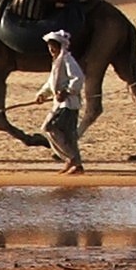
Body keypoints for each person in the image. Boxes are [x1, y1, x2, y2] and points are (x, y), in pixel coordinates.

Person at [37, 26, 84, 174]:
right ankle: (74, 164)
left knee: (50, 127)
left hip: (68, 105)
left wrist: (66, 91)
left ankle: (72, 159)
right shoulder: (56, 62)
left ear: (60, 46)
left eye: (53, 46)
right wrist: (43, 94)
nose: (51, 49)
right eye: (49, 46)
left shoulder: (67, 59)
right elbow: (51, 82)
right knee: (67, 135)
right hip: (59, 104)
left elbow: (78, 78)